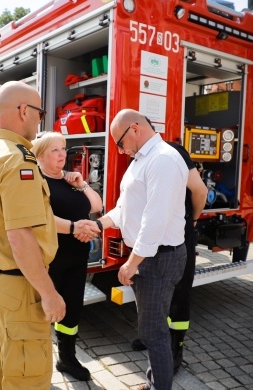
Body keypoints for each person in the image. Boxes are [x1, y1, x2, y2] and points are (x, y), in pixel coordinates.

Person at [0, 81, 98, 390]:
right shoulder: (18, 161)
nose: (40, 119)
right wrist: (50, 293)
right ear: (24, 110)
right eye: (40, 112)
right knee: (27, 377)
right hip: (21, 287)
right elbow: (21, 235)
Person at [93, 109, 188, 390]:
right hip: (151, 257)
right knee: (152, 327)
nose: (120, 151)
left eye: (120, 143)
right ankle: (154, 381)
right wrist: (98, 224)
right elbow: (126, 209)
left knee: (153, 331)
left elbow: (154, 220)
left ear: (134, 128)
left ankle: (160, 387)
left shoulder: (163, 160)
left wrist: (132, 262)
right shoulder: (141, 160)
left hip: (159, 259)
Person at [131, 141, 208, 374]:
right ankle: (153, 337)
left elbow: (200, 190)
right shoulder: (140, 157)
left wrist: (191, 220)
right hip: (150, 233)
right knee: (151, 290)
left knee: (179, 293)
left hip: (177, 232)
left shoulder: (174, 152)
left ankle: (176, 347)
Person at [31, 132, 103, 381]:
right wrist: (77, 228)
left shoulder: (69, 179)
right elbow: (40, 219)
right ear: (40, 154)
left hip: (77, 257)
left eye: (63, 149)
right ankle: (38, 367)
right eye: (55, 150)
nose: (62, 154)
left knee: (71, 310)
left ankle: (67, 358)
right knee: (42, 313)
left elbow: (97, 206)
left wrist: (82, 184)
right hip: (51, 259)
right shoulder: (36, 181)